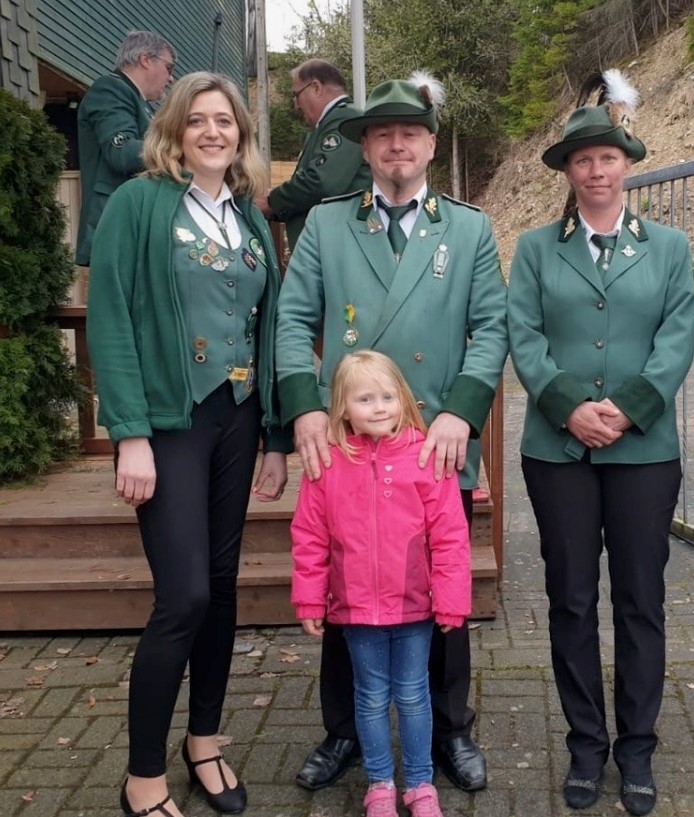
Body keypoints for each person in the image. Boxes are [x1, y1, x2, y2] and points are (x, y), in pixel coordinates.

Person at [276, 71, 508, 794]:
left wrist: (460, 412)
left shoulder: (467, 227)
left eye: (409, 133)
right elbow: (290, 320)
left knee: (442, 587)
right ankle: (346, 728)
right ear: (367, 148)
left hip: (433, 442)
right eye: (382, 135)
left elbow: (491, 326)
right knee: (352, 584)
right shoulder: (327, 223)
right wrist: (306, 407)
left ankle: (448, 729)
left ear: (430, 145)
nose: (397, 144)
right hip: (350, 442)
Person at [87, 71, 292, 817]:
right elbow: (110, 320)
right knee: (185, 596)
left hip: (235, 418)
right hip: (169, 422)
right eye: (198, 119)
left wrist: (274, 435)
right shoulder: (137, 205)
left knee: (223, 587)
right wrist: (129, 435)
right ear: (173, 130)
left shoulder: (246, 216)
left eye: (226, 121)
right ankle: (143, 775)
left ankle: (203, 740)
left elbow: (266, 328)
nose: (214, 131)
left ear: (241, 134)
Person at [506, 70, 694, 817]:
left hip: (643, 450)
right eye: (582, 160)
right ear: (568, 170)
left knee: (641, 600)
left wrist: (626, 408)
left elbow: (678, 337)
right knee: (571, 599)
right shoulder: (533, 249)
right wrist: (567, 407)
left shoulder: (670, 247)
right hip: (558, 453)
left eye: (607, 158)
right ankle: (587, 744)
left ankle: (638, 747)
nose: (595, 171)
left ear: (626, 165)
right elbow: (523, 335)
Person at [292, 350, 471, 817]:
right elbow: (310, 536)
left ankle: (419, 783)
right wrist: (310, 597)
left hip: (414, 607)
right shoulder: (327, 464)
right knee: (369, 697)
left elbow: (451, 535)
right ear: (342, 408)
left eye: (388, 396)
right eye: (365, 398)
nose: (379, 407)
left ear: (403, 399)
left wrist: (451, 600)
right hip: (355, 609)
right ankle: (379, 784)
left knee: (413, 694)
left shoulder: (426, 457)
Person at [76, 30, 176, 268]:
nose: (171, 78)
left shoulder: (138, 101)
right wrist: (181, 150)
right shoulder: (111, 89)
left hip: (130, 228)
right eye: (169, 68)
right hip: (116, 228)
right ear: (145, 59)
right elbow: (121, 152)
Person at [254, 59, 371, 252]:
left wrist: (272, 201)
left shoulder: (345, 120)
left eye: (296, 95)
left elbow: (322, 183)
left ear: (316, 87)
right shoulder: (331, 123)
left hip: (338, 248)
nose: (296, 105)